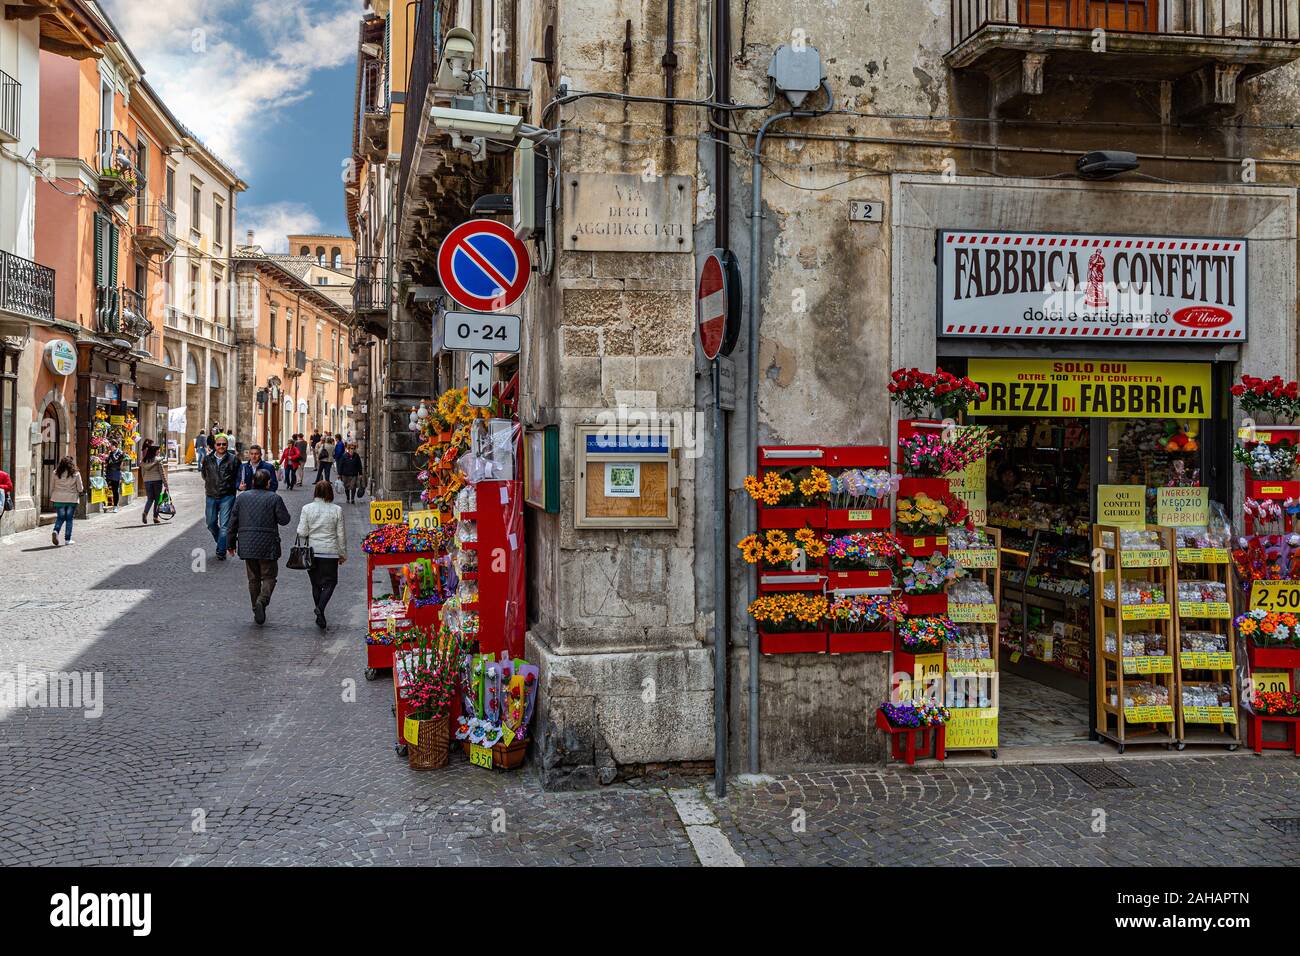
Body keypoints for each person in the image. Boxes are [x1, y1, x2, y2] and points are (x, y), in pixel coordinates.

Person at [227, 469, 291, 625]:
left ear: (253, 482)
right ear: (268, 483)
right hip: (268, 545)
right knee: (269, 577)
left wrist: (230, 544)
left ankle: (256, 609)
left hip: (247, 544)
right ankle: (261, 601)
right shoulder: (274, 498)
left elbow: (232, 522)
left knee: (253, 579)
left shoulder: (242, 498)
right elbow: (284, 520)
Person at [297, 480, 347, 630]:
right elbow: (341, 535)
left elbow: (302, 532)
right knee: (331, 583)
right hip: (330, 552)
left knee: (316, 584)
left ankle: (320, 611)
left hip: (312, 552)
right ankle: (320, 609)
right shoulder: (337, 510)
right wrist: (342, 553)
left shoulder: (307, 509)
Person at [200, 433, 239, 560]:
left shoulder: (234, 459)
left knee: (224, 526)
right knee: (210, 523)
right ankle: (223, 542)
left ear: (227, 445)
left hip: (227, 495)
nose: (221, 446)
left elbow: (238, 477)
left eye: (224, 444)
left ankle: (221, 551)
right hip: (211, 495)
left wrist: (239, 486)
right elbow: (204, 475)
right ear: (214, 445)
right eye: (219, 444)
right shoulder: (207, 459)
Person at [50, 456, 83, 547]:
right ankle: (67, 539)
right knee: (69, 519)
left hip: (58, 498)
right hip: (71, 499)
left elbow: (52, 486)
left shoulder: (55, 473)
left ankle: (55, 530)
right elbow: (80, 488)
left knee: (60, 517)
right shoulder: (76, 473)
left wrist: (52, 494)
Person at [138, 440, 168, 524]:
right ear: (154, 451)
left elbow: (142, 472)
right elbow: (162, 473)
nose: (159, 451)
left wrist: (145, 479)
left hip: (147, 481)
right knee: (157, 499)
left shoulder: (144, 461)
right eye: (158, 450)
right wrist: (165, 483)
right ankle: (155, 517)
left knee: (150, 499)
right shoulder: (158, 460)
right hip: (157, 481)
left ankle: (145, 513)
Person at [104, 440, 125, 513]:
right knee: (105, 488)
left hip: (116, 473)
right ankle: (105, 504)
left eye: (111, 446)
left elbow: (116, 462)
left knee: (115, 490)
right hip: (109, 473)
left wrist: (111, 454)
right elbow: (108, 462)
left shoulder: (121, 453)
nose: (109, 447)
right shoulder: (110, 453)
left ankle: (115, 506)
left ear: (115, 446)